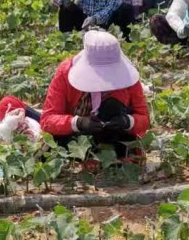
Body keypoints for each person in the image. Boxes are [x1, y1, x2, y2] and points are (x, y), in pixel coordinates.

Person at [40, 29, 150, 159]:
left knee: (112, 106)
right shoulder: (65, 72)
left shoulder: (128, 75)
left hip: (115, 137)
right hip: (77, 138)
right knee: (50, 151)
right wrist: (78, 122)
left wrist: (128, 121)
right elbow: (47, 120)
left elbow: (144, 118)